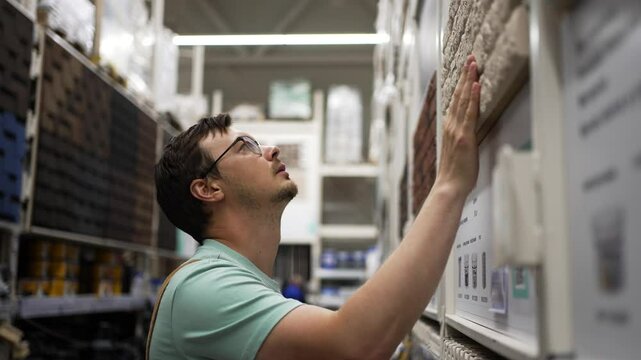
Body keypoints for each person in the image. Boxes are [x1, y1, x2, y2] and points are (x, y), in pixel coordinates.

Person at [149, 54, 481, 360]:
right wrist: (449, 184)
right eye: (244, 146)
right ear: (208, 188)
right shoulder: (205, 286)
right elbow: (353, 345)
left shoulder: (239, 281)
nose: (272, 149)